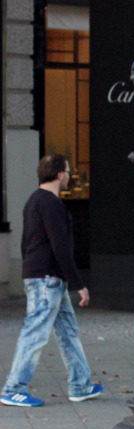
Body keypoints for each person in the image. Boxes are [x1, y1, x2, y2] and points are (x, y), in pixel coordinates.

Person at [1, 154, 103, 408]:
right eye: (68, 171)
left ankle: (80, 384)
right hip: (48, 279)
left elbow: (27, 243)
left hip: (43, 277)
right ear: (59, 174)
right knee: (35, 331)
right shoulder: (51, 203)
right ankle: (13, 387)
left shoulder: (33, 200)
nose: (69, 176)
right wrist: (79, 283)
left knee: (68, 331)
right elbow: (60, 246)